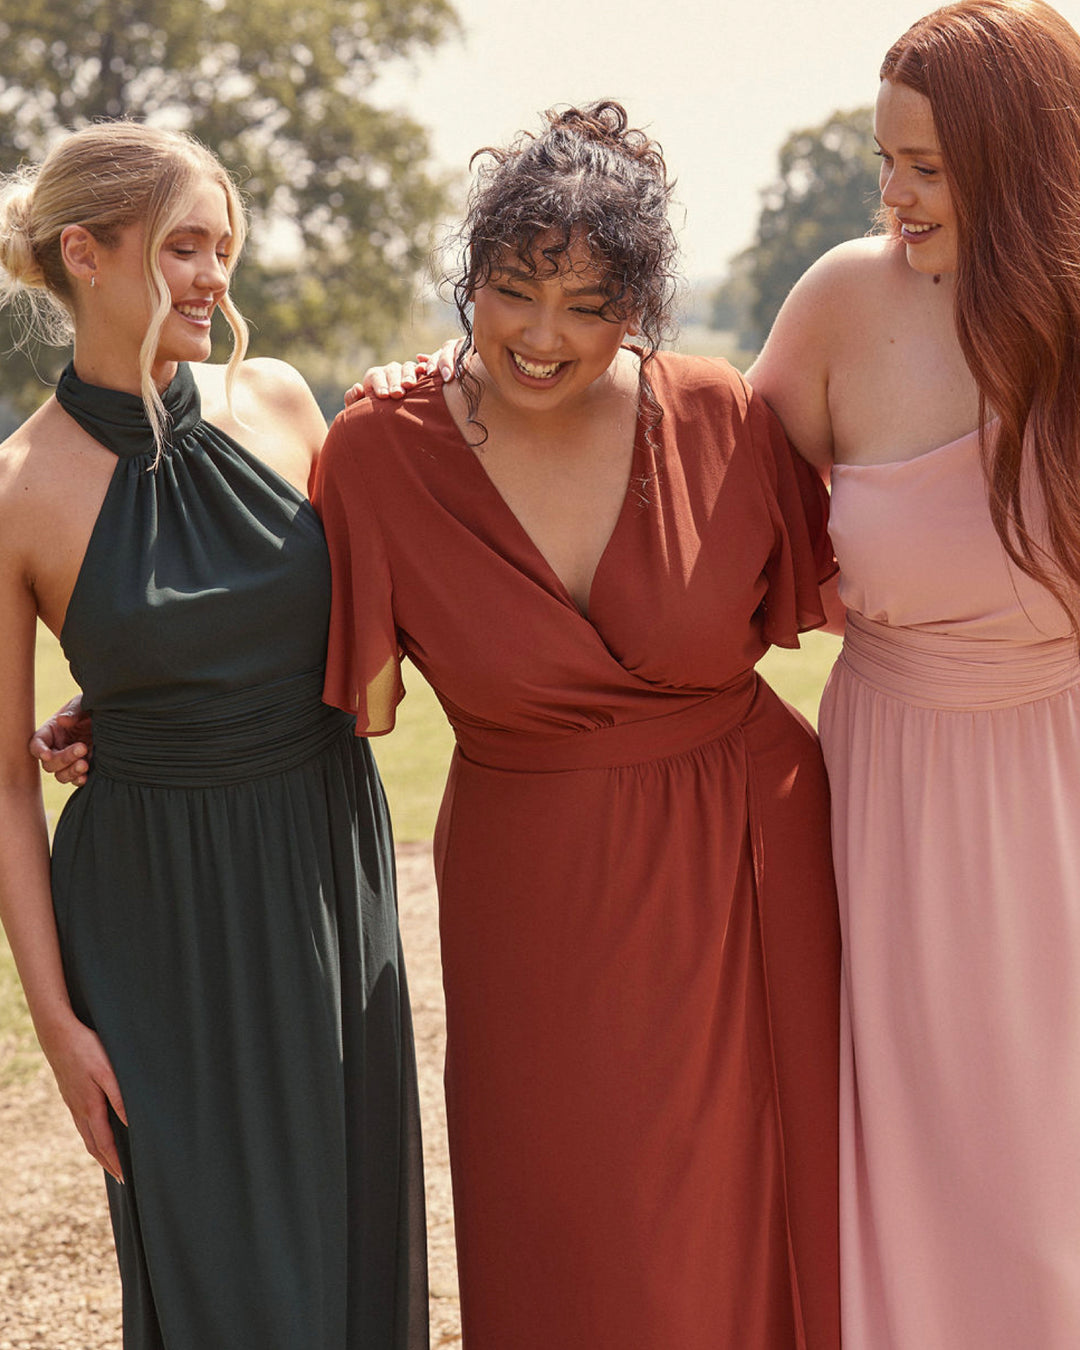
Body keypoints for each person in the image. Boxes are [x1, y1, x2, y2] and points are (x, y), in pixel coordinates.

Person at [312, 101, 841, 1349]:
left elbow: (888, 603)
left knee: (763, 1203)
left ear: (638, 310)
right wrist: (125, 716)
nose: (543, 338)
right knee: (567, 1215)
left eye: (590, 307)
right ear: (470, 280)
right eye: (513, 291)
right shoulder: (379, 450)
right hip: (535, 896)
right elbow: (309, 669)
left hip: (754, 866)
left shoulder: (723, 415)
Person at [0, 122, 426, 1349]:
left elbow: (385, 610)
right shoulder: (21, 491)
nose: (214, 277)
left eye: (223, 248)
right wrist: (55, 1022)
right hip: (155, 916)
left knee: (348, 1230)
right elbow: (2, 789)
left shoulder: (285, 402)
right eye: (184, 247)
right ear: (87, 252)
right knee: (220, 1269)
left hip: (325, 864)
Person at [746, 2, 1080, 1345]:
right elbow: (690, 523)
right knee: (913, 1144)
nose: (894, 194)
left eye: (930, 166)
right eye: (887, 160)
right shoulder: (841, 300)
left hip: (1062, 788)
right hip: (893, 794)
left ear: (1027, 160)